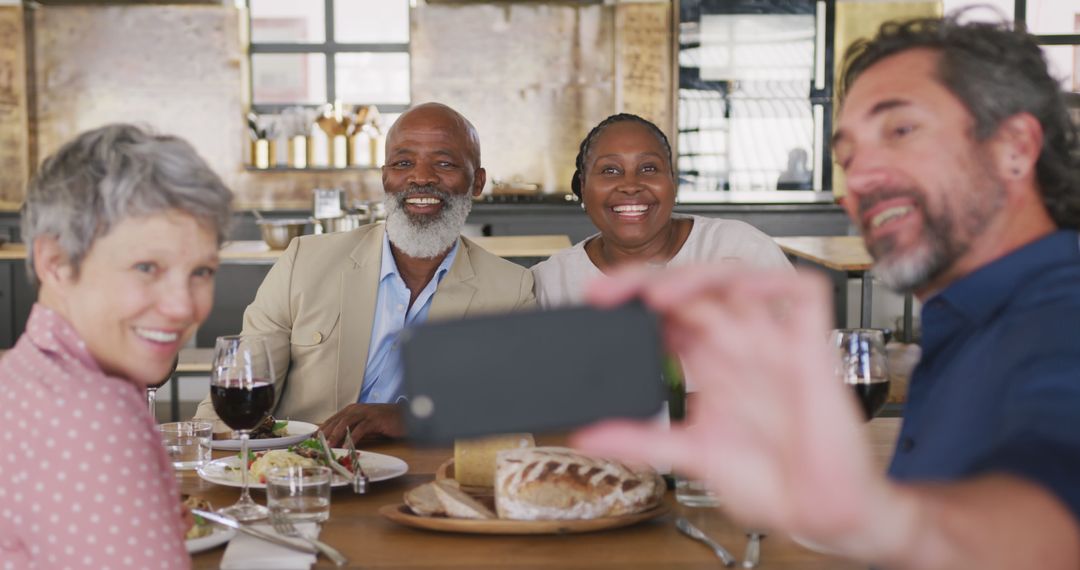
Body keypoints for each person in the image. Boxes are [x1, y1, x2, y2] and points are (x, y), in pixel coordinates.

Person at [573, 14, 1080, 569]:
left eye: (902, 131)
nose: (860, 178)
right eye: (849, 157)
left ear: (1014, 144)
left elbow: (1050, 517)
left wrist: (864, 513)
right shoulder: (968, 321)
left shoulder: (1059, 319)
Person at [195, 102, 536, 446]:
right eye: (403, 163)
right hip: (304, 475)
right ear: (384, 177)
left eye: (444, 163)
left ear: (477, 182)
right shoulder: (304, 263)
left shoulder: (510, 290)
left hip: (428, 476)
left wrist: (410, 418)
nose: (421, 177)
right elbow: (241, 383)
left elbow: (517, 408)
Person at [0, 124, 233, 568]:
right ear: (56, 264)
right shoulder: (92, 415)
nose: (183, 307)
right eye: (146, 267)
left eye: (201, 271)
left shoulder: (29, 373)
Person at [530, 113, 789, 308]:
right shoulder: (552, 283)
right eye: (610, 170)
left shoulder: (740, 249)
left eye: (649, 168)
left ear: (672, 183)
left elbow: (804, 358)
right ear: (583, 188)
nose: (630, 185)